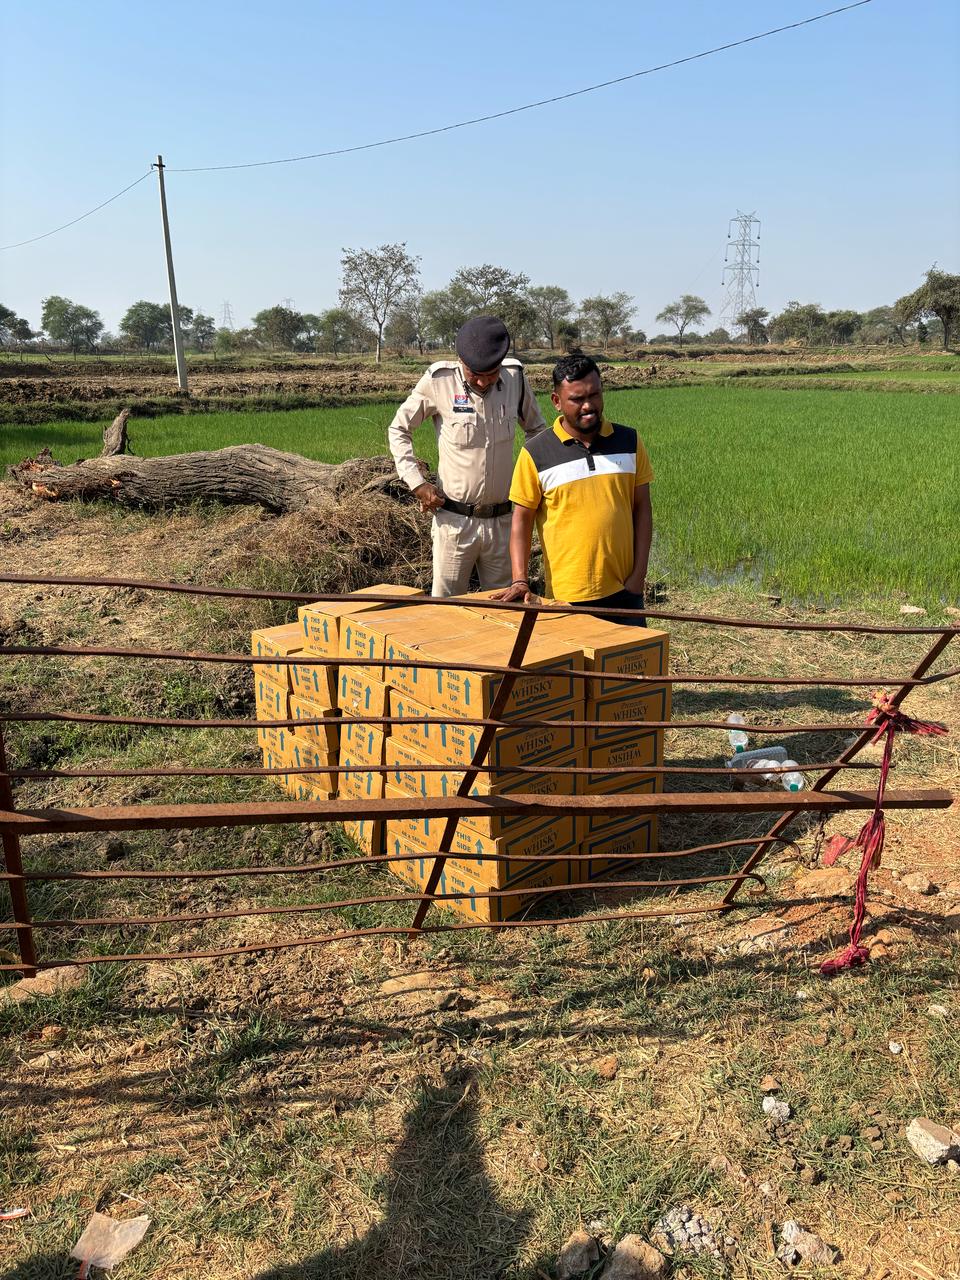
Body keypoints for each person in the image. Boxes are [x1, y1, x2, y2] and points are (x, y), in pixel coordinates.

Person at [387, 316, 546, 596]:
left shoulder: (515, 379)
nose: (484, 380)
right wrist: (417, 483)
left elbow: (537, 430)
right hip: (454, 522)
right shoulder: (439, 380)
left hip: (503, 522)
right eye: (475, 373)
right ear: (461, 360)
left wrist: (526, 480)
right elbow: (399, 429)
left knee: (504, 609)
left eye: (492, 372)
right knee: (447, 610)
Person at [493, 353, 653, 624]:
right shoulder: (536, 452)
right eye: (577, 399)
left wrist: (638, 577)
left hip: (625, 591)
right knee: (575, 667)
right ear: (556, 402)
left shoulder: (629, 440)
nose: (588, 406)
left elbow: (642, 510)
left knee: (628, 666)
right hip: (566, 597)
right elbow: (521, 520)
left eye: (595, 395)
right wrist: (520, 579)